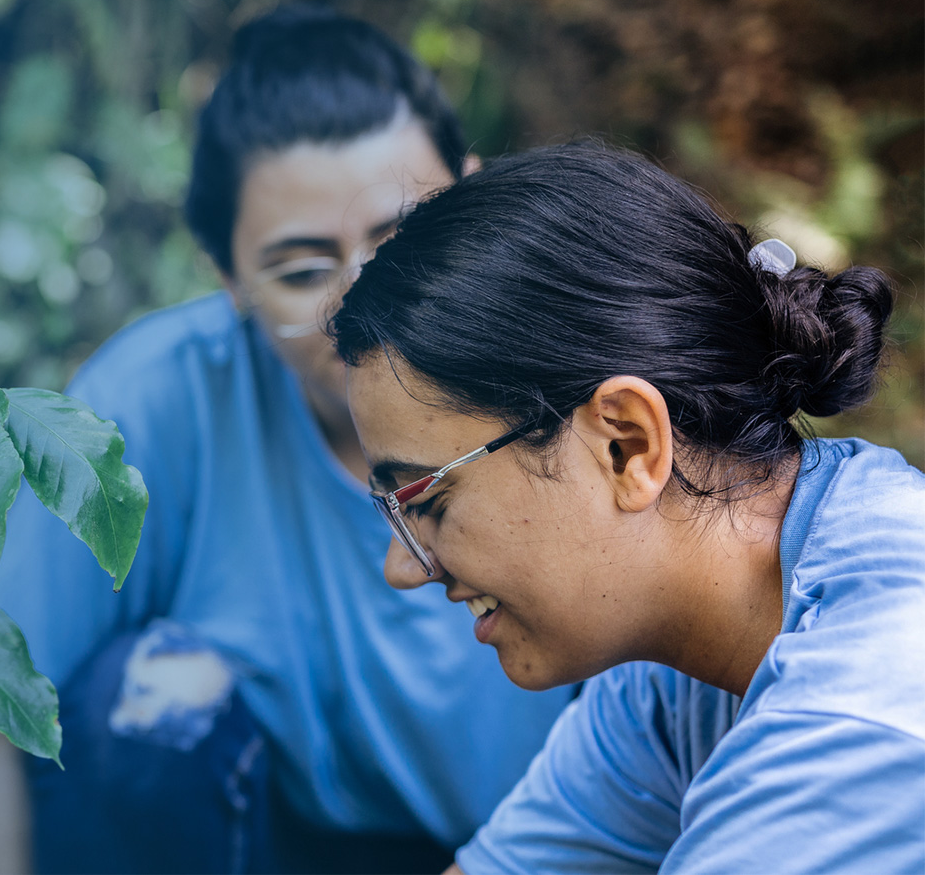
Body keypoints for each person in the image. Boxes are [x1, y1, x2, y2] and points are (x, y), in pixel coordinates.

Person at [0, 5, 574, 875]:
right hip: (267, 838)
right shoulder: (159, 396)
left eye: (407, 238)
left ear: (473, 195)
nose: (365, 301)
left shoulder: (581, 391)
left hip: (549, 845)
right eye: (303, 269)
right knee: (136, 705)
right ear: (227, 276)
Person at [332, 144, 924, 873]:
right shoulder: (674, 675)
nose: (403, 568)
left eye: (428, 497)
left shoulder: (860, 715)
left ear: (627, 444)